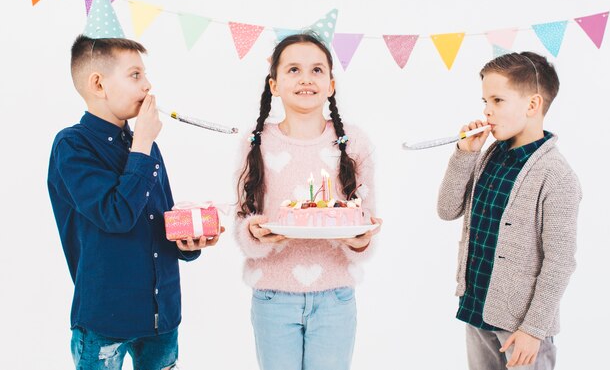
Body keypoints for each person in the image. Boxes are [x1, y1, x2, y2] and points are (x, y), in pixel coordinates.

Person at [47, 33, 222, 369]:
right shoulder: (72, 146)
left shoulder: (145, 146)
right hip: (105, 321)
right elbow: (116, 216)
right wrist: (141, 143)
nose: (148, 85)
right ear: (98, 84)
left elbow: (160, 220)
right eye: (135, 75)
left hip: (161, 317)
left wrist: (188, 242)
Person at [235, 33, 382, 370]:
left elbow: (364, 221)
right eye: (293, 70)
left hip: (336, 297)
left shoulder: (353, 141)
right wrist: (254, 233)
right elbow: (242, 221)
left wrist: (360, 239)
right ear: (274, 84)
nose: (305, 78)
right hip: (272, 297)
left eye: (317, 70)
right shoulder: (256, 142)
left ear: (331, 84)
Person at [437, 52, 582, 370]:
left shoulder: (556, 176)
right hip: (478, 309)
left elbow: (559, 263)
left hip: (522, 328)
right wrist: (465, 155)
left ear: (532, 105)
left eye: (498, 100)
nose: (487, 111)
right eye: (485, 101)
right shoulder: (489, 155)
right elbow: (448, 210)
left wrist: (533, 329)